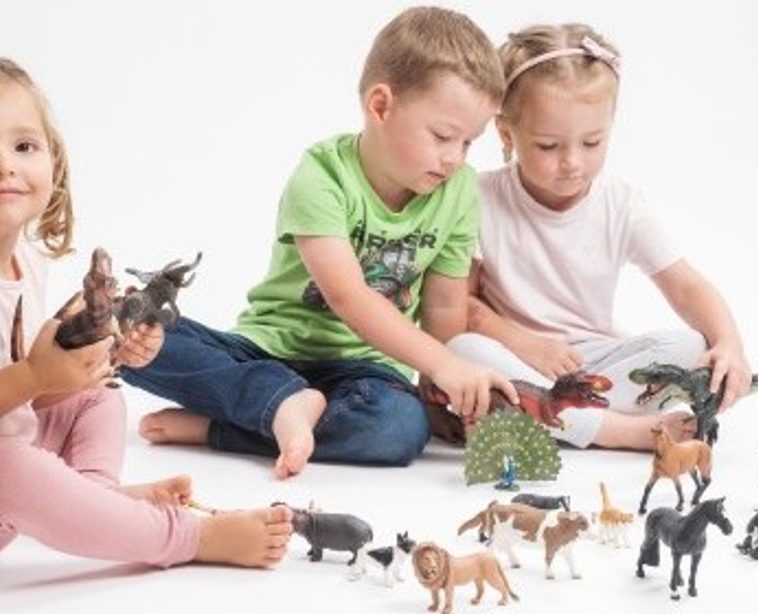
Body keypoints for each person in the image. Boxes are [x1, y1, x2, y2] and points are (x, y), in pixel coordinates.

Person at [0, 58, 291, 570]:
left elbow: (18, 388)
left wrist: (95, 360)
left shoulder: (22, 258)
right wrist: (35, 375)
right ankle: (188, 538)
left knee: (97, 394)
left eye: (23, 146)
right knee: (12, 471)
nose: (3, 165)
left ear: (52, 159)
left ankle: (95, 501)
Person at [124, 6, 517, 479]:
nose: (454, 158)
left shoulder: (459, 191)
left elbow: (444, 308)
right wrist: (445, 365)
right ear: (380, 106)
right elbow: (347, 296)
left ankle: (228, 423)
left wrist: (443, 389)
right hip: (268, 351)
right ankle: (278, 400)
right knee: (123, 330)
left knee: (398, 427)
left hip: (363, 371)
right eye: (442, 136)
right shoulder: (322, 176)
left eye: (468, 143)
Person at [449, 24, 751, 450]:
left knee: (690, 346)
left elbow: (686, 285)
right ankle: (621, 430)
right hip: (515, 355)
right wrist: (528, 345)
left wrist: (730, 344)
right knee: (462, 348)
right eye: (548, 146)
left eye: (591, 142)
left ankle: (557, 419)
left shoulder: (620, 203)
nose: (572, 162)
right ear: (506, 133)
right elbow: (460, 305)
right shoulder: (477, 198)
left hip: (594, 364)